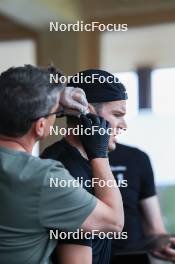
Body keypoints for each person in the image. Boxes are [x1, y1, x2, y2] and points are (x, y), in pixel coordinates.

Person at [0, 65, 124, 264]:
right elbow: (113, 222)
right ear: (40, 126)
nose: (124, 125)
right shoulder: (45, 177)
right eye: (54, 112)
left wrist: (53, 99)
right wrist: (99, 155)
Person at [41, 69, 127, 264]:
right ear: (88, 112)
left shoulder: (91, 163)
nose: (124, 125)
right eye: (117, 114)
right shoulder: (63, 170)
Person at [109, 143, 175, 264]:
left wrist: (166, 246)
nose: (123, 124)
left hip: (133, 258)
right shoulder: (64, 159)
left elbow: (155, 228)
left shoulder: (136, 157)